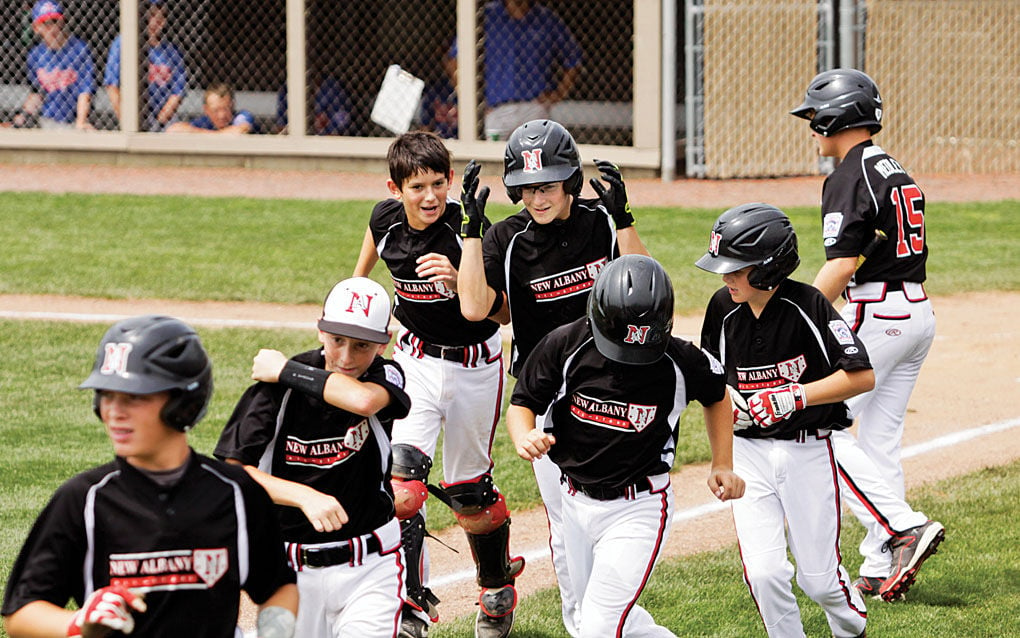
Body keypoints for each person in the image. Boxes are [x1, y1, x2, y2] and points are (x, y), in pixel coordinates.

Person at [458, 118, 653, 637]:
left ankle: (609, 617)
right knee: (567, 524)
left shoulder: (599, 222)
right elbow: (476, 308)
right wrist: (471, 235)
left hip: (609, 389)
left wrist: (623, 219)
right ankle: (583, 623)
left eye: (546, 186)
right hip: (545, 397)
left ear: (570, 181)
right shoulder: (506, 236)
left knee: (611, 509)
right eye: (525, 189)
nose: (536, 199)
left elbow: (649, 288)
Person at [1, 315, 298, 638]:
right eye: (107, 395)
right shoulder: (84, 500)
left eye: (135, 397)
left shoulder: (236, 493)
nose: (115, 411)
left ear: (182, 403)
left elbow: (278, 586)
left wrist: (274, 633)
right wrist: (78, 622)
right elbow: (20, 614)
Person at [507, 254, 745, 638]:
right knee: (601, 618)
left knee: (600, 626)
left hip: (639, 509)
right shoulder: (566, 344)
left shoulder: (679, 360)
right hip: (574, 501)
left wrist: (722, 463)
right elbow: (523, 403)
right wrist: (524, 435)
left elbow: (718, 396)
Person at [352, 131, 521, 638]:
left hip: (475, 365)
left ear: (451, 181)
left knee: (469, 490)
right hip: (416, 362)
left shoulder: (469, 228)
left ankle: (496, 591)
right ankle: (410, 606)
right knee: (400, 485)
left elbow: (504, 311)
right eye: (417, 186)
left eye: (438, 183)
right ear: (395, 188)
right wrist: (360, 297)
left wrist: (457, 278)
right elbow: (365, 268)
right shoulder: (384, 220)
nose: (430, 196)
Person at [791, 68, 944, 601]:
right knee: (878, 441)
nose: (811, 126)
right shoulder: (892, 167)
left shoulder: (848, 174)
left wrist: (799, 321)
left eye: (815, 116)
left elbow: (841, 264)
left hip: (876, 311)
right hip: (916, 312)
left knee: (817, 421)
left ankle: (902, 527)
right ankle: (883, 565)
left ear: (839, 116)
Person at [697, 203, 872, 638]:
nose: (725, 278)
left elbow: (862, 375)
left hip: (807, 450)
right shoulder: (722, 308)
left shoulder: (807, 305)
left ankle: (852, 628)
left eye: (736, 270)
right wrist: (727, 409)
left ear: (769, 267)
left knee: (820, 581)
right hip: (751, 455)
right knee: (764, 573)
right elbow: (711, 385)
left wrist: (796, 395)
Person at [214, 277, 412, 638]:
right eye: (337, 340)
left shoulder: (387, 376)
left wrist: (286, 370)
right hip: (291, 573)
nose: (347, 357)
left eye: (362, 346)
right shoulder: (275, 393)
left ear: (384, 345)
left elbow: (363, 402)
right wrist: (303, 496)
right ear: (320, 330)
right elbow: (232, 475)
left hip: (371, 568)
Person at [447, 0, 582, 140]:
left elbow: (573, 59)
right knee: (492, 157)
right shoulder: (485, 16)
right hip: (494, 109)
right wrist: (472, 99)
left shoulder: (546, 19)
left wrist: (558, 93)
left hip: (534, 107)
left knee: (536, 157)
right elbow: (454, 61)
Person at [104, 0, 187, 132]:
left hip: (163, 121)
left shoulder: (172, 52)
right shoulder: (123, 43)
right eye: (151, 15)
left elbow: (177, 92)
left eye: (161, 18)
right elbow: (112, 86)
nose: (155, 23)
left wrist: (159, 123)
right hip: (129, 116)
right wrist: (126, 120)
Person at [16, 0, 96, 130]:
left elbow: (85, 91)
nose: (52, 28)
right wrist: (21, 118)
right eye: (45, 24)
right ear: (36, 28)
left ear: (62, 22)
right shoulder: (35, 55)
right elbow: (37, 93)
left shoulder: (79, 49)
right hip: (47, 120)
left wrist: (80, 122)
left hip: (74, 120)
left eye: (54, 21)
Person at [275, 75, 357, 136]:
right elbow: (281, 127)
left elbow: (341, 124)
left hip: (326, 143)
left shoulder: (332, 88)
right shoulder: (288, 88)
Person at [167, 82, 258, 134]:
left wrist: (199, 133)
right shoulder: (205, 121)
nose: (222, 115)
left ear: (232, 105)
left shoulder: (241, 116)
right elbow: (173, 130)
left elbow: (240, 130)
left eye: (225, 109)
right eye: (215, 110)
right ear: (206, 110)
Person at [418, 47, 458, 139]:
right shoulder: (437, 91)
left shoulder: (473, 90)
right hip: (440, 141)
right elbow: (424, 126)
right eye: (453, 60)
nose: (457, 66)